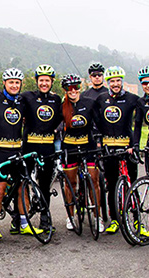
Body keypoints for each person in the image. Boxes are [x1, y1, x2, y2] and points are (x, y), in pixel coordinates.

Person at [0, 68, 43, 240]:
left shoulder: (22, 102)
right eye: (11, 82)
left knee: (22, 188)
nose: (14, 85)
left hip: (17, 150)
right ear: (4, 83)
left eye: (17, 82)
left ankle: (24, 224)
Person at [95, 66, 138, 234]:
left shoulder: (132, 99)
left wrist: (133, 146)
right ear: (108, 82)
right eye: (112, 81)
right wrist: (98, 141)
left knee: (131, 185)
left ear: (122, 81)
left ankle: (135, 219)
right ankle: (114, 219)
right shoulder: (101, 99)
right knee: (112, 185)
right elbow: (94, 119)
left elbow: (140, 119)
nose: (115, 84)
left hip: (127, 148)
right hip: (108, 149)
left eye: (118, 80)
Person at [60, 73, 104, 232]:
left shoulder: (89, 103)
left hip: (88, 146)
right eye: (69, 88)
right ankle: (70, 217)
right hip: (69, 148)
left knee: (94, 180)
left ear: (80, 88)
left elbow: (99, 123)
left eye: (76, 87)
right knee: (70, 183)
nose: (73, 91)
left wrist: (102, 140)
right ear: (65, 90)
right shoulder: (62, 106)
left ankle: (97, 216)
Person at [21, 64, 62, 232]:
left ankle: (45, 218)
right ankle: (19, 218)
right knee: (23, 182)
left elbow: (61, 118)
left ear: (52, 82)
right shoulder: (27, 97)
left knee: (44, 184)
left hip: (47, 148)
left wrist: (56, 129)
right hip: (29, 146)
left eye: (47, 80)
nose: (44, 83)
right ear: (36, 81)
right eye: (41, 80)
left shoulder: (56, 99)